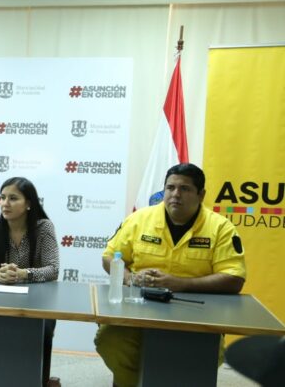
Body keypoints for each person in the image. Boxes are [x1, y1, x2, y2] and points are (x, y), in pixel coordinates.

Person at [95, 163, 246, 387]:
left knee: (202, 357)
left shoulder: (221, 228)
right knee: (110, 341)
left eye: (184, 188)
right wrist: (130, 278)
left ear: (200, 194)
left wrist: (180, 284)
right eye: (170, 188)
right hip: (138, 309)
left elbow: (234, 278)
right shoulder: (139, 219)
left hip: (197, 314)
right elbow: (109, 257)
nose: (175, 194)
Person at [0, 176, 61, 387]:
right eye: (2, 197)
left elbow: (53, 269)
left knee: (34, 335)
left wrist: (23, 274)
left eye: (13, 198)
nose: (4, 203)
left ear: (28, 204)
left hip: (38, 304)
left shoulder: (43, 227)